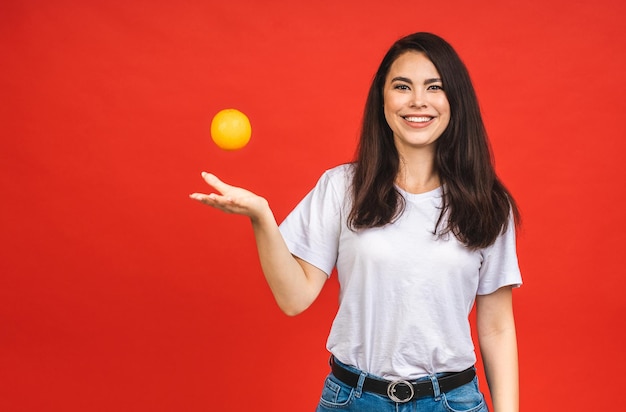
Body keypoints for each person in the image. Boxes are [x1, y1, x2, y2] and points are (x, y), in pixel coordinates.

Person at [190, 32, 521, 412]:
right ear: (382, 98)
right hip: (353, 400)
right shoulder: (342, 188)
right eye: (402, 86)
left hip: (452, 402)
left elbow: (496, 327)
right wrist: (262, 216)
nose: (418, 101)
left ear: (455, 101)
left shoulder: (487, 202)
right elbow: (294, 298)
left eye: (435, 87)